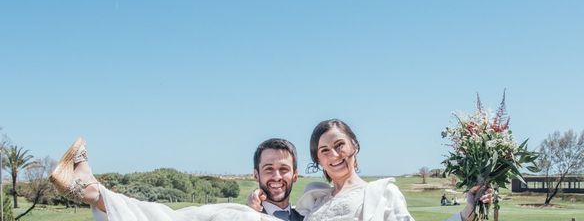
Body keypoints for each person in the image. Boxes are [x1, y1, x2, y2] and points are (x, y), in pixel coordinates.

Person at [50, 120, 491, 221]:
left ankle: (92, 189)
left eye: (340, 145)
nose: (334, 154)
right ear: (317, 162)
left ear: (355, 147)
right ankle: (91, 189)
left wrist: (469, 207)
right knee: (207, 216)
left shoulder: (383, 195)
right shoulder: (314, 199)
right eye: (325, 149)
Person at [251, 138, 304, 221]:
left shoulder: (308, 217)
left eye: (284, 169)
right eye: (269, 169)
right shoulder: (245, 217)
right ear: (256, 175)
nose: (277, 177)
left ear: (295, 175)